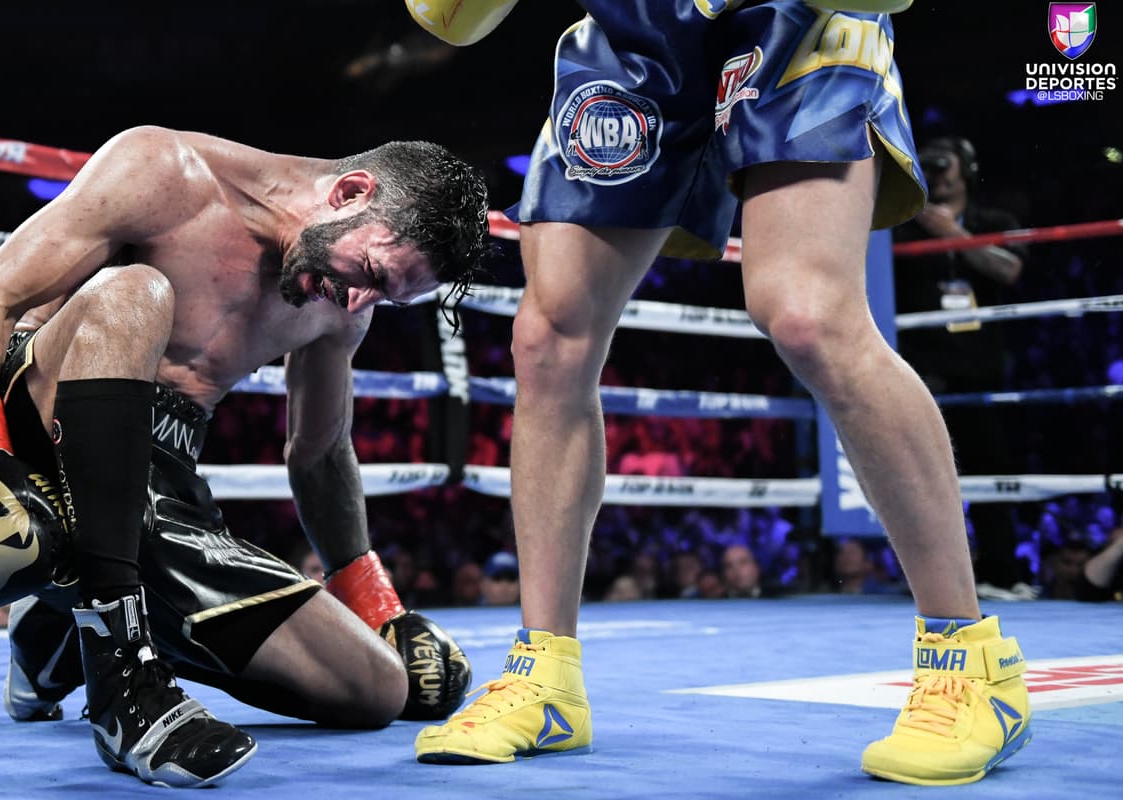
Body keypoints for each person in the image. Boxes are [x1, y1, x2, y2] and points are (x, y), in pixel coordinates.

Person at [407, 0, 1032, 787]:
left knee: (807, 313)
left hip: (789, 16)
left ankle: (971, 664)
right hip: (632, 32)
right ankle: (545, 678)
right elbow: (449, 21)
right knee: (548, 336)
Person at [0, 125, 488, 787]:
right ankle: (122, 680)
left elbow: (320, 452)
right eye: (369, 275)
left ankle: (54, 627)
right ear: (349, 192)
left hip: (162, 480)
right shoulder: (163, 171)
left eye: (385, 298)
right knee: (134, 293)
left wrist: (377, 604)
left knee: (374, 691)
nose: (358, 301)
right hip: (42, 422)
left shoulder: (343, 308)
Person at [893, 135, 1034, 602]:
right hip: (923, 370)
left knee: (993, 472)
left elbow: (1009, 270)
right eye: (927, 166)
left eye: (943, 165)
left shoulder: (995, 221)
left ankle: (1000, 570)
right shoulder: (902, 225)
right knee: (925, 478)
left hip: (981, 368)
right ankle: (933, 583)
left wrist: (952, 235)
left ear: (966, 171)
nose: (935, 175)